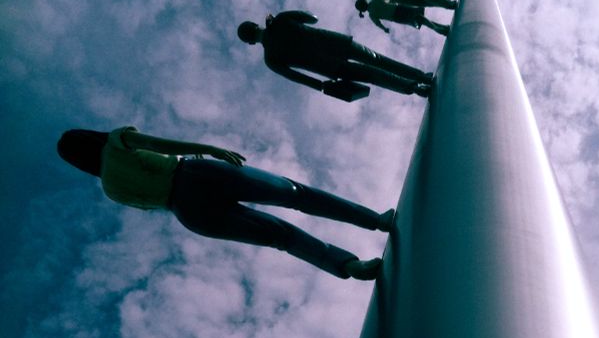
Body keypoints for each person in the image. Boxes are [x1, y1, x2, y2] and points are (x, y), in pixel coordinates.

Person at [57, 126, 394, 280]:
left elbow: (152, 203)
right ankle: (375, 220)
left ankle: (348, 266)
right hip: (195, 174)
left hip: (188, 213)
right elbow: (159, 145)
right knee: (293, 194)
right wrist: (209, 149)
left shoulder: (110, 190)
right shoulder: (115, 142)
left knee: (279, 236)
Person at [237, 11, 432, 99]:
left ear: (251, 42)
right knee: (377, 59)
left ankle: (415, 88)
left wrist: (320, 85)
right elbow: (312, 18)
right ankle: (421, 76)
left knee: (372, 75)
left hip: (329, 67)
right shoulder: (280, 19)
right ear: (255, 24)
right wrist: (278, 20)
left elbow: (296, 77)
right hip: (335, 43)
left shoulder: (270, 59)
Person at [355, 0, 450, 36]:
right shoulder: (375, 0)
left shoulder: (371, 15)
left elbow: (378, 24)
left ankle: (440, 27)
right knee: (419, 16)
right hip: (398, 8)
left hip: (396, 18)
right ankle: (436, 28)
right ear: (365, 1)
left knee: (419, 19)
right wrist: (388, 1)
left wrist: (384, 29)